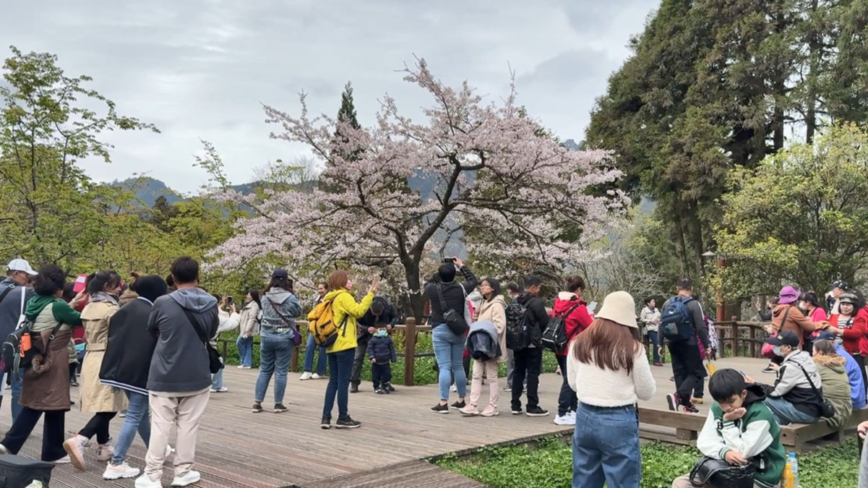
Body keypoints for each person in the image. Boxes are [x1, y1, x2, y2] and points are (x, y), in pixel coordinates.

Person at [135, 257, 219, 488]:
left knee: (161, 425)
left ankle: (152, 475)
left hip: (164, 372)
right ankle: (183, 471)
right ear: (198, 277)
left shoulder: (163, 302)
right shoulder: (211, 302)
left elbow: (152, 328)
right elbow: (210, 332)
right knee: (188, 425)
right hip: (198, 372)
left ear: (173, 278)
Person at [568, 291, 655, 488]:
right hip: (619, 419)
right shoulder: (633, 348)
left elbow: (574, 384)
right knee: (623, 481)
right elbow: (646, 392)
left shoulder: (578, 344)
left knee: (584, 479)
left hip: (585, 415)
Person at [0, 265, 81, 463]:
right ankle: (13, 444)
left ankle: (50, 450)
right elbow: (78, 320)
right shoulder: (58, 305)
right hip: (53, 358)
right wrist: (78, 304)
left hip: (36, 356)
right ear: (58, 287)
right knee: (46, 403)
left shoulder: (34, 302)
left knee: (48, 403)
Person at [98, 276, 170, 480]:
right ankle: (116, 463)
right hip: (142, 372)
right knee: (134, 415)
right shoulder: (153, 312)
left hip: (120, 371)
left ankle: (157, 450)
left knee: (139, 414)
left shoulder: (124, 308)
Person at [670, 369, 785, 488]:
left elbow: (741, 454)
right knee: (680, 484)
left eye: (731, 401)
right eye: (721, 402)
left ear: (743, 394)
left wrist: (728, 422)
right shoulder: (717, 407)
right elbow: (705, 440)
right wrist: (724, 453)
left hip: (759, 475)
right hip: (723, 468)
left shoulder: (760, 414)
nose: (726, 408)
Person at [64, 270, 127, 472]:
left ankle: (104, 445)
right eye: (116, 285)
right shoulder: (112, 309)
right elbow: (119, 338)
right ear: (107, 287)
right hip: (107, 357)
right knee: (111, 405)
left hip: (91, 357)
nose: (120, 288)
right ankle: (81, 438)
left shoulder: (89, 307)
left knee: (104, 403)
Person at [314, 270, 377, 429]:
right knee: (343, 381)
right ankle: (343, 417)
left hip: (331, 344)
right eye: (348, 279)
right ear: (342, 281)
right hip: (345, 344)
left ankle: (325, 417)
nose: (350, 282)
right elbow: (358, 311)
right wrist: (370, 293)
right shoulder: (343, 296)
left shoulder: (329, 298)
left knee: (333, 381)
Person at [425, 258, 477, 413]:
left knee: (444, 367)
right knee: (458, 365)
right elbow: (473, 280)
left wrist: (441, 271)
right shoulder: (462, 288)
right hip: (458, 330)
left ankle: (443, 402)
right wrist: (461, 266)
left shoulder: (432, 289)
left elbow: (428, 282)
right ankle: (461, 400)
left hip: (440, 329)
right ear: (455, 275)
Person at [253, 270, 301, 413]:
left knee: (265, 370)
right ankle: (278, 404)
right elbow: (298, 312)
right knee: (281, 371)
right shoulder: (291, 297)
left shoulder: (265, 297)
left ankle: (257, 402)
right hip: (284, 336)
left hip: (266, 336)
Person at [460, 278, 507, 417]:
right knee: (476, 375)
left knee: (492, 376)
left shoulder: (497, 304)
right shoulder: (483, 302)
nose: (482, 287)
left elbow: (500, 325)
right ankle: (473, 404)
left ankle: (492, 405)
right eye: (482, 285)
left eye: (486, 285)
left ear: (493, 288)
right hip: (480, 344)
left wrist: (487, 332)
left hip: (490, 344)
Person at [660, 278, 708, 414]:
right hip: (689, 343)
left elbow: (661, 325)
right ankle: (678, 396)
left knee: (680, 374)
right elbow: (701, 327)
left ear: (677, 288)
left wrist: (660, 343)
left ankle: (687, 405)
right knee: (697, 373)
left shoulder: (667, 302)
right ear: (691, 288)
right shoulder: (694, 304)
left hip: (672, 343)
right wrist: (707, 345)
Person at [757, 330, 824, 425]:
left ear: (788, 347)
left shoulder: (790, 366)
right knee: (777, 413)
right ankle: (775, 428)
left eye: (778, 345)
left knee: (760, 396)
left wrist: (755, 385)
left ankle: (763, 428)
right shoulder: (805, 357)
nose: (774, 348)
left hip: (804, 413)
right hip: (815, 410)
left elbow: (776, 393)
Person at [551, 276, 593, 426]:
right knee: (570, 381)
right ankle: (562, 413)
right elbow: (590, 326)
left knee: (570, 379)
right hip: (572, 348)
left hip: (559, 347)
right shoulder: (578, 307)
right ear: (578, 290)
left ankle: (573, 411)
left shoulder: (558, 304)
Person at [0, 259, 37, 419]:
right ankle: (17, 429)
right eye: (26, 276)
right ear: (16, 273)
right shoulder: (25, 292)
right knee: (18, 388)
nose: (28, 280)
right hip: (15, 346)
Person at [511, 275, 551, 417]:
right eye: (539, 287)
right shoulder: (536, 303)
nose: (539, 290)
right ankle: (532, 405)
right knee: (533, 373)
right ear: (533, 287)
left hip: (518, 342)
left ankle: (515, 404)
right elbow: (545, 322)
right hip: (532, 343)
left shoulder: (516, 301)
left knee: (518, 372)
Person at [352, 294, 397, 393]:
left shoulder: (388, 307)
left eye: (379, 314)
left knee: (384, 358)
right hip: (364, 336)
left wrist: (391, 324)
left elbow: (395, 317)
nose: (376, 315)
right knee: (358, 358)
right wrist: (366, 329)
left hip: (382, 337)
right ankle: (354, 382)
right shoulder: (364, 307)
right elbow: (356, 321)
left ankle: (385, 382)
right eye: (374, 313)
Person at [826, 291, 868, 394]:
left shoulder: (858, 318)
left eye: (848, 305)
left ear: (854, 306)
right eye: (843, 304)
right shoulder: (833, 317)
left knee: (858, 376)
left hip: (852, 353)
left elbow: (856, 333)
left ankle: (861, 398)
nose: (845, 307)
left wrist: (837, 330)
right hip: (834, 353)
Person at [816, 330, 866, 409]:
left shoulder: (837, 356)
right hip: (853, 395)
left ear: (831, 342)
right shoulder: (835, 352)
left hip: (853, 398)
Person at [812, 338, 853, 429]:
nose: (812, 354)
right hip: (845, 411)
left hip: (831, 415)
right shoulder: (839, 364)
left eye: (813, 351)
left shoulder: (816, 364)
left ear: (820, 352)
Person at [210, 297, 239, 393]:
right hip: (210, 343)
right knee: (217, 361)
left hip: (196, 342)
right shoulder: (216, 318)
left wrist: (222, 305)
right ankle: (215, 385)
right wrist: (234, 312)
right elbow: (233, 323)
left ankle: (213, 384)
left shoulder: (200, 313)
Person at [300, 282, 328, 380]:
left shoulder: (329, 299)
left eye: (322, 288)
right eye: (319, 288)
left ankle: (321, 371)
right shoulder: (316, 299)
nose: (320, 290)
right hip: (314, 326)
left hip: (324, 327)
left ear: (326, 289)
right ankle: (307, 370)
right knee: (309, 346)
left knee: (322, 349)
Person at [368, 323, 397, 394]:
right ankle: (376, 387)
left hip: (386, 361)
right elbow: (370, 349)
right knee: (376, 376)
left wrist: (393, 357)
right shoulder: (373, 339)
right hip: (376, 361)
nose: (382, 331)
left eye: (384, 329)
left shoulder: (388, 339)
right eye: (380, 329)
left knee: (387, 374)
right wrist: (372, 357)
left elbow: (391, 349)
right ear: (376, 330)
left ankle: (385, 384)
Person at [236, 290, 261, 369]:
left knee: (239, 343)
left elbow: (252, 318)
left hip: (247, 329)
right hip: (246, 328)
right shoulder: (251, 304)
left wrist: (247, 329)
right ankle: (247, 363)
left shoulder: (254, 305)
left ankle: (244, 361)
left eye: (249, 295)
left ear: (253, 296)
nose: (247, 296)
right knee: (247, 345)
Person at [505, 282, 521, 392]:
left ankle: (512, 383)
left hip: (513, 333)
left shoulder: (514, 303)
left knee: (512, 360)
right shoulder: (523, 300)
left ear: (510, 290)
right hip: (522, 335)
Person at [640, 296, 662, 366]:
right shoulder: (645, 310)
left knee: (658, 344)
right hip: (649, 329)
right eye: (652, 302)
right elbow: (642, 319)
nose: (654, 303)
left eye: (654, 301)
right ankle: (655, 360)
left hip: (657, 328)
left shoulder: (656, 310)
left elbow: (660, 317)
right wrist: (649, 321)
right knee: (656, 343)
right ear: (648, 303)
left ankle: (657, 359)